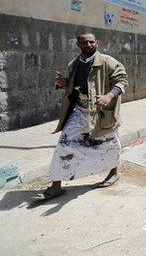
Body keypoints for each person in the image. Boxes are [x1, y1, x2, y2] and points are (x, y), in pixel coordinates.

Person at [33, 33, 128, 201]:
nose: (89, 44)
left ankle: (113, 173)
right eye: (85, 42)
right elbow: (75, 86)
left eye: (92, 41)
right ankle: (56, 186)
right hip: (79, 112)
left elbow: (121, 81)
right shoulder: (75, 64)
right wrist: (64, 83)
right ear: (79, 44)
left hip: (101, 114)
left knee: (110, 143)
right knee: (64, 143)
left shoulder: (107, 62)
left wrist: (109, 96)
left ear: (97, 43)